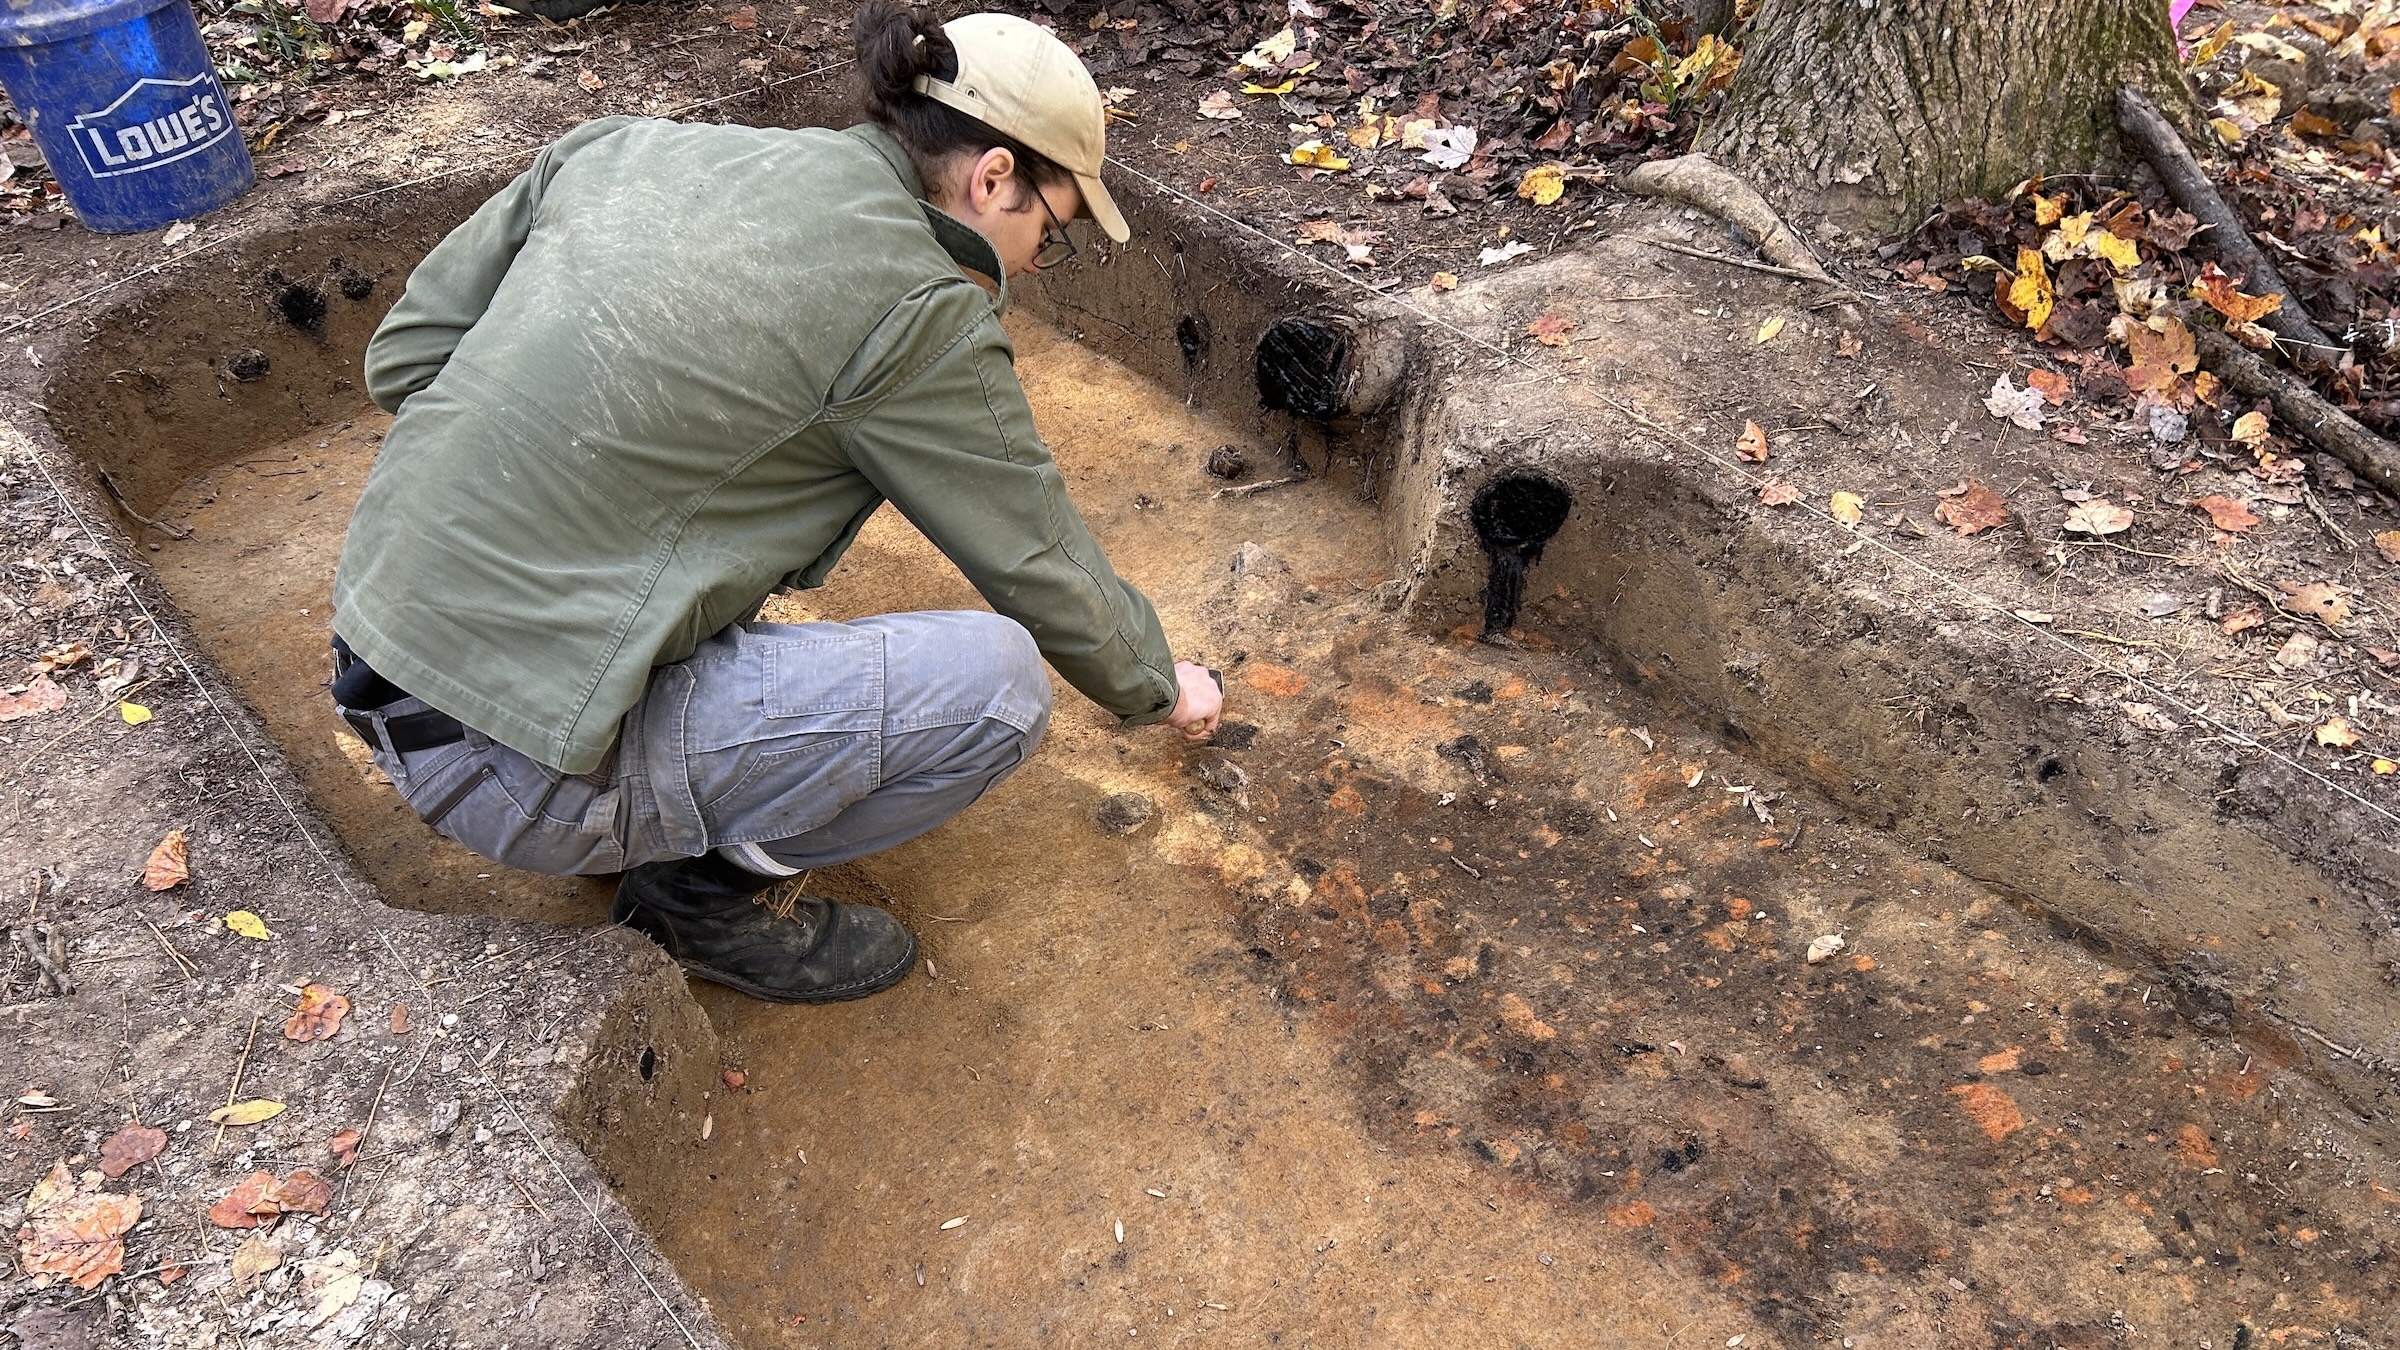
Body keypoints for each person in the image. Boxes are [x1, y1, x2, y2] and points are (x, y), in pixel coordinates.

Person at [327, 3, 1224, 1005]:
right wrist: (1155, 681)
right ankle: (699, 896)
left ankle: (621, 786)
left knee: (714, 491)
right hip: (500, 765)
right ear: (994, 178)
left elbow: (404, 360)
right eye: (1051, 234)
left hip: (374, 646)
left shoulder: (626, 150)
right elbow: (1034, 558)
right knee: (997, 688)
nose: (1036, 264)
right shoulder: (918, 309)